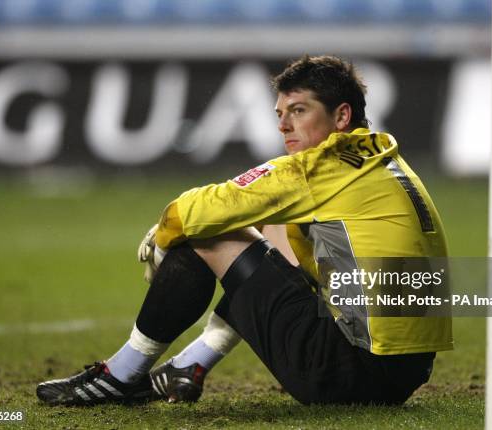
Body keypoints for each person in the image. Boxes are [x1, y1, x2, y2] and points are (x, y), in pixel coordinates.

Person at [36, 55, 452, 406]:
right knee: (274, 228)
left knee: (208, 233)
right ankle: (191, 363)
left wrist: (165, 239)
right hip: (402, 372)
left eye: (299, 110)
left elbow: (191, 211)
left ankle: (121, 374)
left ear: (341, 115)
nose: (283, 125)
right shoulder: (383, 160)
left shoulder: (318, 167)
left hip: (344, 371)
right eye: (280, 114)